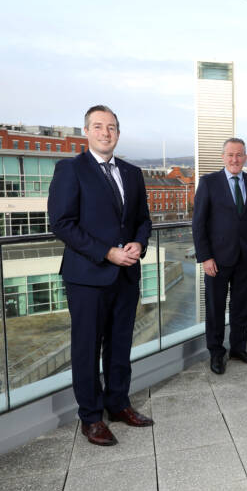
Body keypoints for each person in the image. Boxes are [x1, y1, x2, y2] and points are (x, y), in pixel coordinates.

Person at [48, 105, 153, 446]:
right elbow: (62, 223)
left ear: (118, 133)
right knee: (87, 347)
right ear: (86, 132)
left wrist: (138, 241)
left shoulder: (133, 173)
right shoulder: (70, 170)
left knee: (121, 344)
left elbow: (142, 219)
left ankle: (118, 403)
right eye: (98, 126)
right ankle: (91, 417)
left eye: (111, 127)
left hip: (125, 276)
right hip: (88, 276)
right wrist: (107, 252)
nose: (105, 132)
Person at [192, 138, 247, 375]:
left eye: (239, 155)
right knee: (215, 308)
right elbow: (199, 224)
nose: (235, 159)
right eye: (230, 155)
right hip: (216, 259)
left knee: (241, 306)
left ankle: (238, 348)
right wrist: (205, 257)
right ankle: (216, 352)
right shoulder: (208, 183)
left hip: (246, 258)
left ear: (245, 157)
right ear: (223, 157)